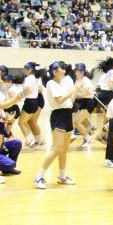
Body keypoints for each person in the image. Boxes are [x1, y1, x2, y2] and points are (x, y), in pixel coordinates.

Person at [34, 61, 78, 189]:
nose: (64, 71)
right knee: (57, 148)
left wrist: (76, 89)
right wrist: (72, 90)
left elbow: (70, 101)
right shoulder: (51, 83)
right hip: (58, 116)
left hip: (67, 114)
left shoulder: (63, 83)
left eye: (64, 69)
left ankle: (62, 176)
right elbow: (59, 100)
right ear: (54, 72)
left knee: (64, 149)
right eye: (61, 69)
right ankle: (39, 176)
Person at [19, 62, 45, 148]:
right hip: (34, 102)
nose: (24, 70)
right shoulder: (34, 78)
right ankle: (36, 139)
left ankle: (31, 140)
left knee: (21, 122)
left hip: (30, 102)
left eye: (25, 69)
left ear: (30, 70)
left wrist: (21, 95)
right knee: (29, 121)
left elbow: (28, 89)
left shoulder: (29, 78)